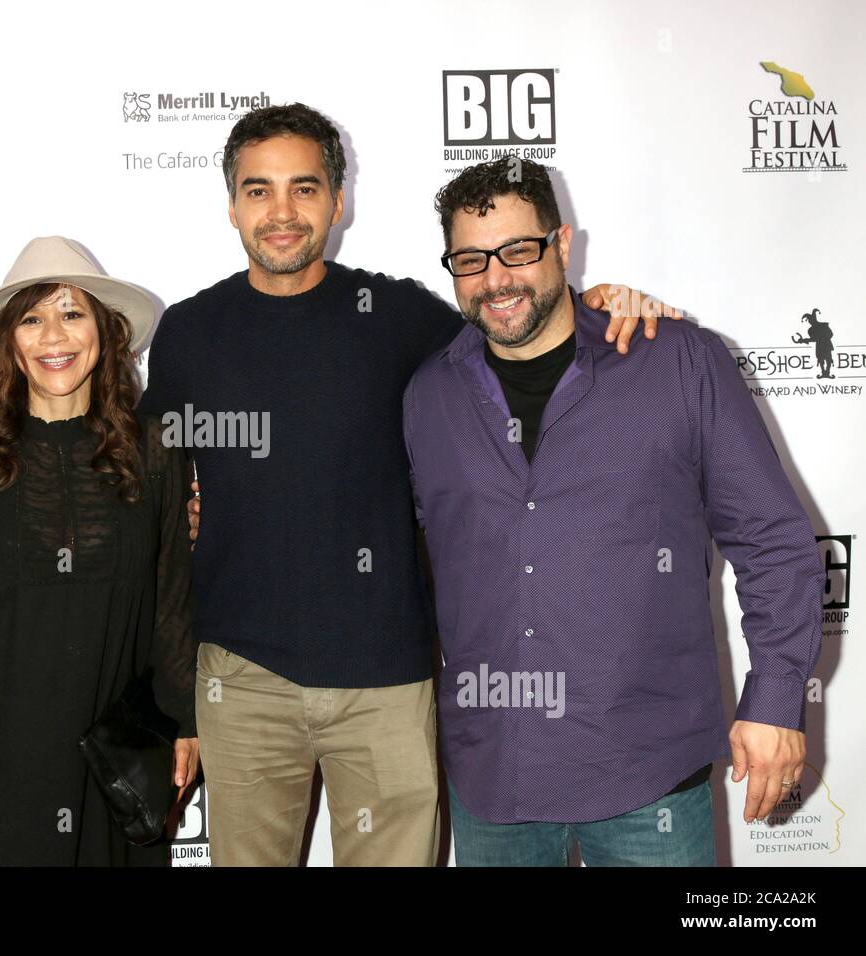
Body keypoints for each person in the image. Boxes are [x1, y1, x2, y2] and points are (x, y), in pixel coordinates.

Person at [142, 103, 677, 866]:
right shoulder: (190, 332)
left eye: (304, 187)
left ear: (337, 199)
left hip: (388, 680)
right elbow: (139, 481)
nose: (283, 212)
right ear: (231, 205)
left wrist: (600, 304)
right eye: (259, 191)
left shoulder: (396, 315)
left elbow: (519, 327)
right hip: (241, 680)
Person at [403, 156, 823, 865]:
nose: (496, 278)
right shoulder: (428, 396)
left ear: (563, 245)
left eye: (518, 250)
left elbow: (773, 541)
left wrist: (776, 698)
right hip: (493, 777)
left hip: (646, 773)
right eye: (470, 259)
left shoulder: (678, 362)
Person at [0, 236, 199, 865]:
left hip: (109, 747)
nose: (53, 336)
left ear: (105, 332)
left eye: (72, 313)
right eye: (32, 318)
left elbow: (173, 601)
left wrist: (184, 720)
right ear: (8, 340)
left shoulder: (155, 451)